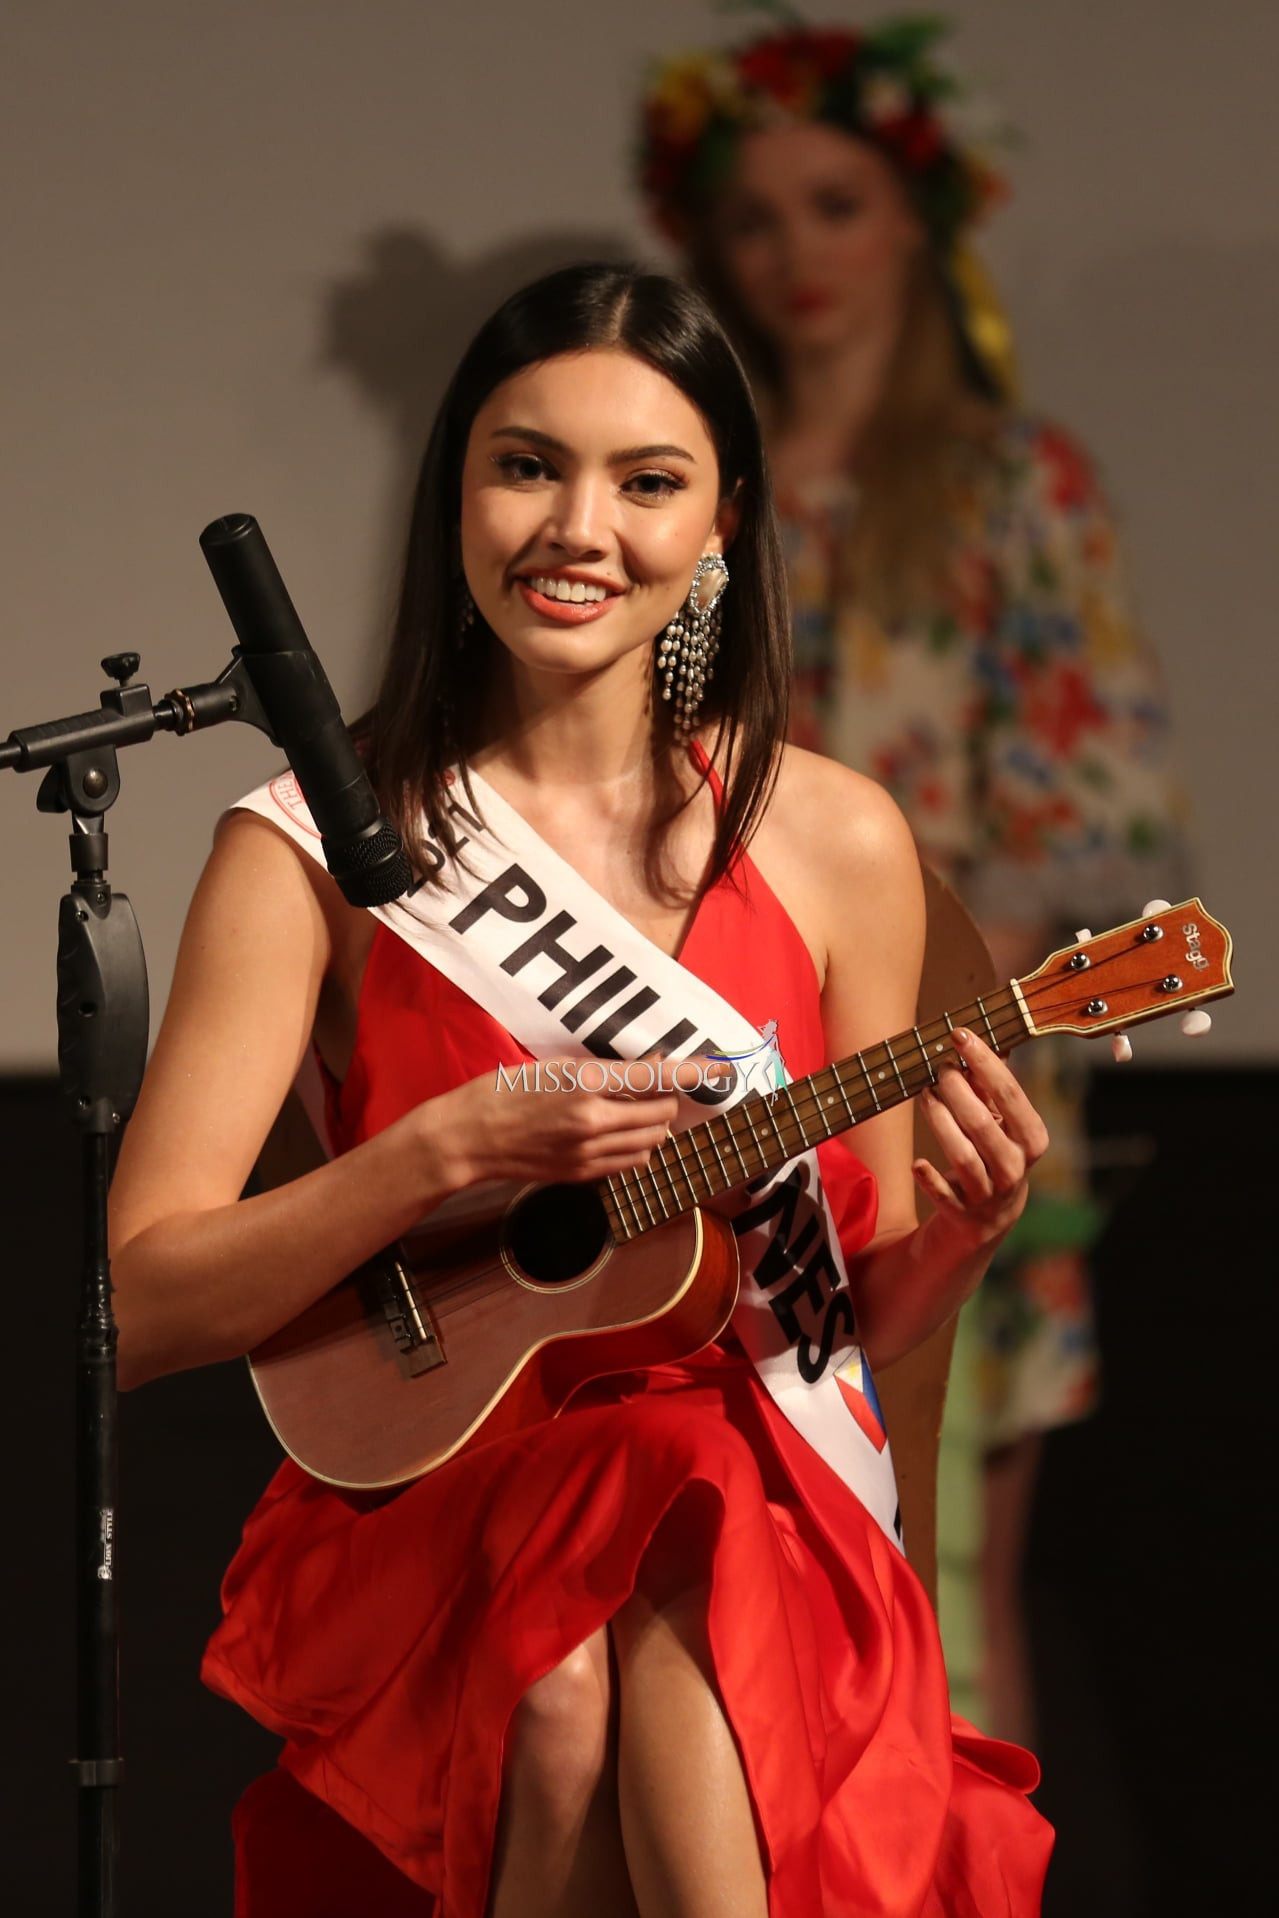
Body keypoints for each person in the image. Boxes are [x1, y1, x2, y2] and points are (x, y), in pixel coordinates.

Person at [108, 262, 1054, 1917]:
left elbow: (870, 1310)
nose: (578, 527)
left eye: (649, 481)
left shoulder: (836, 842)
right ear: (455, 492)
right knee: (571, 1660)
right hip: (439, 1504)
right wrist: (438, 1151)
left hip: (765, 1503)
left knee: (666, 1558)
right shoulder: (310, 854)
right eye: (527, 464)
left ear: (724, 527)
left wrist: (968, 1230)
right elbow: (138, 1301)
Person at [637, 13, 1186, 1742]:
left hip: (949, 1074)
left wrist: (917, 1026)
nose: (795, 254)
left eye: (839, 204)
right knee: (717, 1554)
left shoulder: (1017, 485)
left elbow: (1098, 805)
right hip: (705, 1085)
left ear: (918, 223)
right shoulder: (686, 500)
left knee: (935, 1570)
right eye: (758, 215)